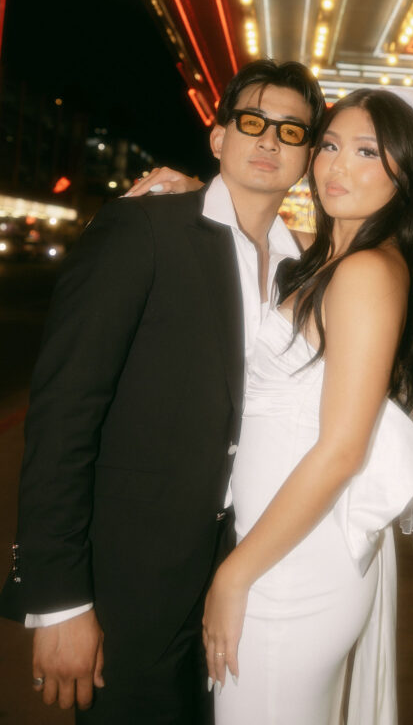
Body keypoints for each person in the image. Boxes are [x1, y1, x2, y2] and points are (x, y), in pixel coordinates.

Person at [0, 59, 326, 724]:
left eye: (290, 131)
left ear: (308, 155)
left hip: (254, 574)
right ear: (217, 137)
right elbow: (64, 415)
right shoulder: (144, 230)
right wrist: (59, 597)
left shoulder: (307, 272)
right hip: (131, 576)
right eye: (252, 122)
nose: (268, 141)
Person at [150, 87, 413, 724]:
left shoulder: (369, 273)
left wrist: (234, 575)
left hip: (289, 569)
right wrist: (194, 186)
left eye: (366, 152)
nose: (334, 166)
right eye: (327, 145)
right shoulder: (325, 259)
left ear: (405, 173)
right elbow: (253, 238)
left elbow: (343, 448)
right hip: (281, 550)